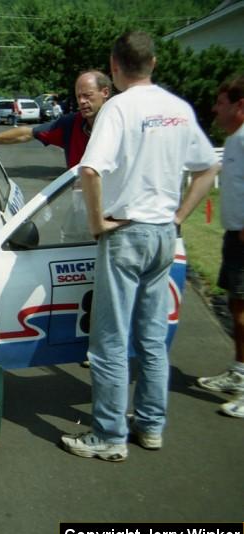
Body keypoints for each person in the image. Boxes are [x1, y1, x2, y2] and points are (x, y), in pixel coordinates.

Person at [61, 31, 221, 461]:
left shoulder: (119, 109)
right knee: (152, 340)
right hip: (163, 235)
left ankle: (110, 436)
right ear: (153, 63)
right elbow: (207, 168)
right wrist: (179, 217)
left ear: (114, 65)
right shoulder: (178, 109)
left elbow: (90, 170)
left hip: (125, 233)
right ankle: (151, 426)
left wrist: (97, 223)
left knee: (109, 342)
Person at [197, 76, 244, 418]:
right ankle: (239, 372)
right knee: (236, 305)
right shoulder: (234, 140)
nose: (215, 108)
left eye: (221, 101)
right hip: (234, 234)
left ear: (240, 106)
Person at [0, 70, 112, 169]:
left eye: (88, 95)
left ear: (104, 92)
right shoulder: (70, 125)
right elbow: (25, 133)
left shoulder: (122, 124)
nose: (82, 101)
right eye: (79, 96)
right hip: (83, 207)